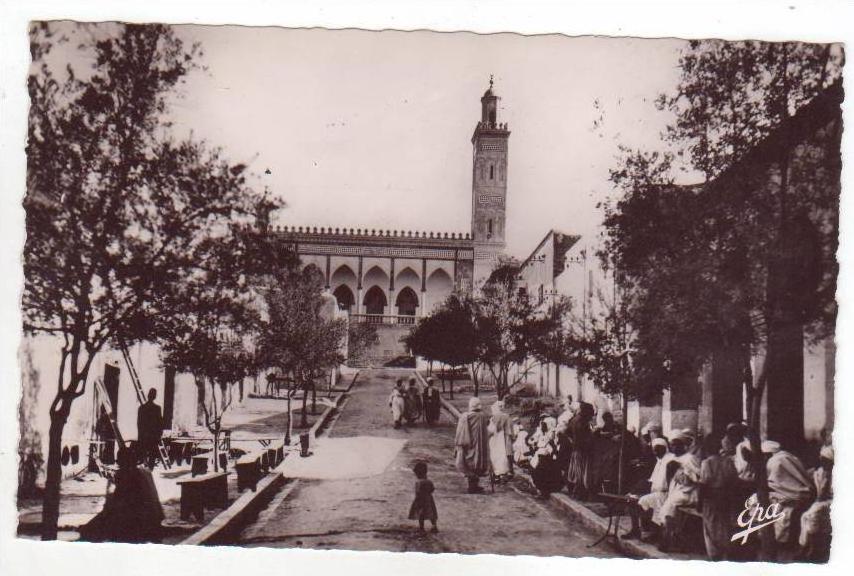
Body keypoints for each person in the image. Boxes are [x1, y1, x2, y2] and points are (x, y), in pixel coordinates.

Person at [79, 446, 165, 543]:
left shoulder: (126, 474)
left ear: (121, 462)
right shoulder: (145, 472)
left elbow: (117, 501)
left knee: (90, 531)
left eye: (119, 462)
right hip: (154, 517)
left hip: (137, 518)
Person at [763, 440, 815, 562]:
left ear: (768, 454)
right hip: (802, 493)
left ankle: (779, 545)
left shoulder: (775, 461)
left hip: (790, 497)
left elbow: (775, 483)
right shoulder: (788, 456)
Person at [699, 435, 741, 561]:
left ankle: (715, 554)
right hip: (726, 497)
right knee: (724, 524)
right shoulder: (728, 461)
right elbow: (734, 480)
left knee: (710, 526)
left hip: (712, 498)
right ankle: (726, 551)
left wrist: (700, 502)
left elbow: (704, 484)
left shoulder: (707, 463)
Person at [625, 437, 674, 540]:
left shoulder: (670, 459)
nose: (655, 451)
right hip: (656, 492)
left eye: (658, 449)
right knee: (632, 499)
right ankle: (635, 530)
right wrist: (634, 490)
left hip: (666, 493)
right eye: (654, 449)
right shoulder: (660, 461)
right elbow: (651, 481)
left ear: (664, 448)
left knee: (642, 501)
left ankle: (651, 531)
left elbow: (667, 483)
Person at [800, 444, 833, 562]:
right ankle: (806, 546)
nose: (823, 462)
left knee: (813, 513)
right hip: (822, 502)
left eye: (826, 460)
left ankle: (809, 549)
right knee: (806, 516)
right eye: (822, 460)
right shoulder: (819, 472)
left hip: (834, 502)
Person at [454, 396, 490, 493]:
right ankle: (473, 486)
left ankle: (473, 486)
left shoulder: (464, 417)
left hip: (467, 444)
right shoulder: (482, 417)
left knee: (468, 463)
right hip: (478, 445)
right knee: (477, 463)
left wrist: (458, 445)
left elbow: (459, 432)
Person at [566, 402, 595, 498]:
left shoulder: (574, 419)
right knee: (581, 472)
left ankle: (576, 491)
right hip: (582, 449)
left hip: (576, 448)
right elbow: (586, 437)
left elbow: (567, 432)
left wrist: (572, 441)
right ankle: (578, 493)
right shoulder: (582, 422)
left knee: (576, 471)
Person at [531, 417, 563, 498]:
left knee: (544, 473)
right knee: (539, 472)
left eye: (545, 424)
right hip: (543, 454)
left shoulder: (553, 432)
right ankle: (543, 490)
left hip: (548, 456)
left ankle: (545, 491)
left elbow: (552, 444)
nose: (543, 426)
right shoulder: (545, 433)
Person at [408, 461, 439, 533]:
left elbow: (417, 492)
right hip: (429, 500)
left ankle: (421, 528)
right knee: (432, 513)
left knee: (421, 514)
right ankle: (434, 526)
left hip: (420, 500)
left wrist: (417, 501)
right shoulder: (429, 481)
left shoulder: (418, 482)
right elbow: (432, 489)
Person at [137, 388, 163, 469]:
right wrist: (159, 435)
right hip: (153, 436)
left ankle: (144, 469)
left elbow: (139, 423)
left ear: (148, 396)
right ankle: (150, 470)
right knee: (152, 455)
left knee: (143, 454)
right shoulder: (157, 408)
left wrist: (140, 435)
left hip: (144, 435)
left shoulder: (142, 408)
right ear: (154, 397)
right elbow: (160, 423)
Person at [488, 401, 514, 479]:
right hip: (505, 435)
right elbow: (510, 427)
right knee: (506, 453)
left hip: (498, 436)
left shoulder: (495, 417)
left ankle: (498, 471)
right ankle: (508, 471)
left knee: (498, 453)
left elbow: (493, 428)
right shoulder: (506, 416)